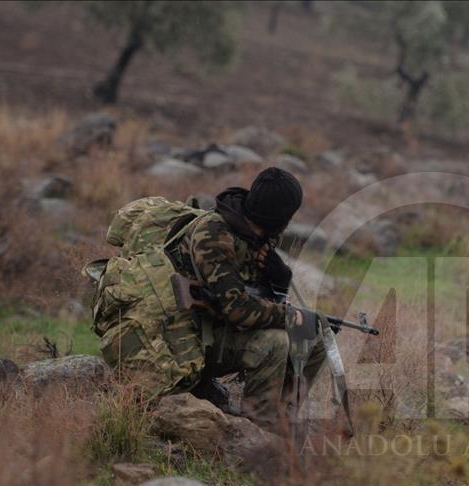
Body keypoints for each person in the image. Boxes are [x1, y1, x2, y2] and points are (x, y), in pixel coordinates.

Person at [90, 167, 327, 431]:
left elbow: (256, 296)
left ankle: (284, 415)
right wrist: (288, 316)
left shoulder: (259, 235)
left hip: (217, 324)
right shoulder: (213, 235)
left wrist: (279, 278)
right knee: (275, 342)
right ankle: (259, 428)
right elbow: (238, 309)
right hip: (187, 336)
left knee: (316, 335)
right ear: (281, 217)